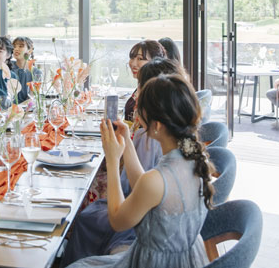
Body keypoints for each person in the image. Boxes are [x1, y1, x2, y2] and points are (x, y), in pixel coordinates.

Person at [68, 74, 213, 268]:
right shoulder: (195, 160)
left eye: (140, 110)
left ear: (157, 125)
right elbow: (146, 187)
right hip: (187, 258)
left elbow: (117, 221)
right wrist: (127, 142)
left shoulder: (156, 180)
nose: (136, 114)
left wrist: (112, 160)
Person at [123, 40, 167, 123]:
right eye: (132, 58)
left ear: (155, 62)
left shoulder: (155, 93)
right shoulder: (141, 85)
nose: (133, 64)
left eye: (140, 59)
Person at [10, 36, 43, 103]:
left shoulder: (36, 73)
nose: (16, 49)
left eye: (21, 46)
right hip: (8, 107)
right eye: (14, 46)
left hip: (27, 107)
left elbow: (32, 98)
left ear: (30, 50)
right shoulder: (8, 67)